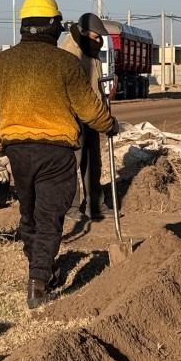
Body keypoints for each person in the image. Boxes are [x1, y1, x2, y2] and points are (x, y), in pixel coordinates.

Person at [0, 0, 119, 309]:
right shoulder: (66, 63)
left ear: (24, 27)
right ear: (54, 26)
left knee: (28, 216)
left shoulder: (0, 64)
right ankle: (38, 282)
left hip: (17, 152)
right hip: (56, 154)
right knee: (48, 218)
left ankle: (41, 270)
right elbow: (88, 109)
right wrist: (110, 125)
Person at [59, 12, 113, 221]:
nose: (98, 41)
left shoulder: (91, 51)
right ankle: (71, 208)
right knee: (73, 163)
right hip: (73, 117)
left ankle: (95, 206)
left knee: (93, 163)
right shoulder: (68, 53)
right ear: (82, 32)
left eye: (100, 38)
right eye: (95, 36)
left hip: (92, 115)